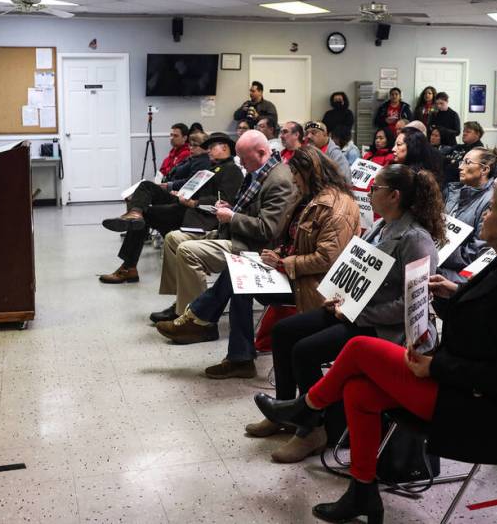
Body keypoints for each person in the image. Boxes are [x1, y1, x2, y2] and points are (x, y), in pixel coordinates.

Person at [256, 180, 497, 524]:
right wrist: (454, 295)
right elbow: (491, 317)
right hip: (462, 386)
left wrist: (435, 368)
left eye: (494, 210)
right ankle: (363, 492)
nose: (485, 215)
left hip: (487, 410)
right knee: (357, 391)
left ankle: (306, 408)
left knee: (357, 349)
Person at [247, 164, 445, 464]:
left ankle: (313, 429)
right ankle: (285, 410)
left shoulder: (416, 239)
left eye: (375, 188)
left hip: (384, 327)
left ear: (393, 195)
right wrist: (338, 295)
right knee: (283, 332)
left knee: (305, 350)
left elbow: (410, 305)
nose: (369, 191)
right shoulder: (382, 226)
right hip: (353, 311)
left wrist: (359, 314)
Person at [155, 147, 359, 379]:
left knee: (238, 278)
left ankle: (205, 325)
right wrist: (279, 254)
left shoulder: (335, 207)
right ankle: (223, 342)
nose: (293, 180)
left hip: (313, 286)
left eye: (296, 175)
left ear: (309, 173)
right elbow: (292, 239)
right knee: (238, 274)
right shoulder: (309, 198)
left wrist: (283, 262)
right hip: (296, 273)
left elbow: (326, 259)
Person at [152, 131, 297, 322]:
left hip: (254, 247)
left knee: (187, 250)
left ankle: (197, 318)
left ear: (261, 152)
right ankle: (184, 303)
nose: (241, 163)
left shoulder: (278, 180)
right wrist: (230, 209)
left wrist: (232, 216)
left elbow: (268, 230)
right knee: (172, 238)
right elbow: (248, 209)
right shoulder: (258, 172)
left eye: (244, 158)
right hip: (234, 234)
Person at [99, 133, 243, 284]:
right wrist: (180, 193)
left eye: (212, 147)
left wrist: (194, 202)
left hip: (199, 215)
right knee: (146, 186)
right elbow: (194, 186)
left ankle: (128, 267)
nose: (208, 151)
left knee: (146, 215)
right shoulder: (213, 168)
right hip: (185, 204)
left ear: (225, 147)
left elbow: (224, 203)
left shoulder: (232, 170)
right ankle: (135, 213)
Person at [438, 147, 497, 282]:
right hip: (441, 264)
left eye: (467, 162)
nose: (460, 167)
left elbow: (478, 251)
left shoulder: (492, 201)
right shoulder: (454, 191)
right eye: (461, 162)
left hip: (460, 276)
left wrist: (437, 252)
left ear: (484, 169)